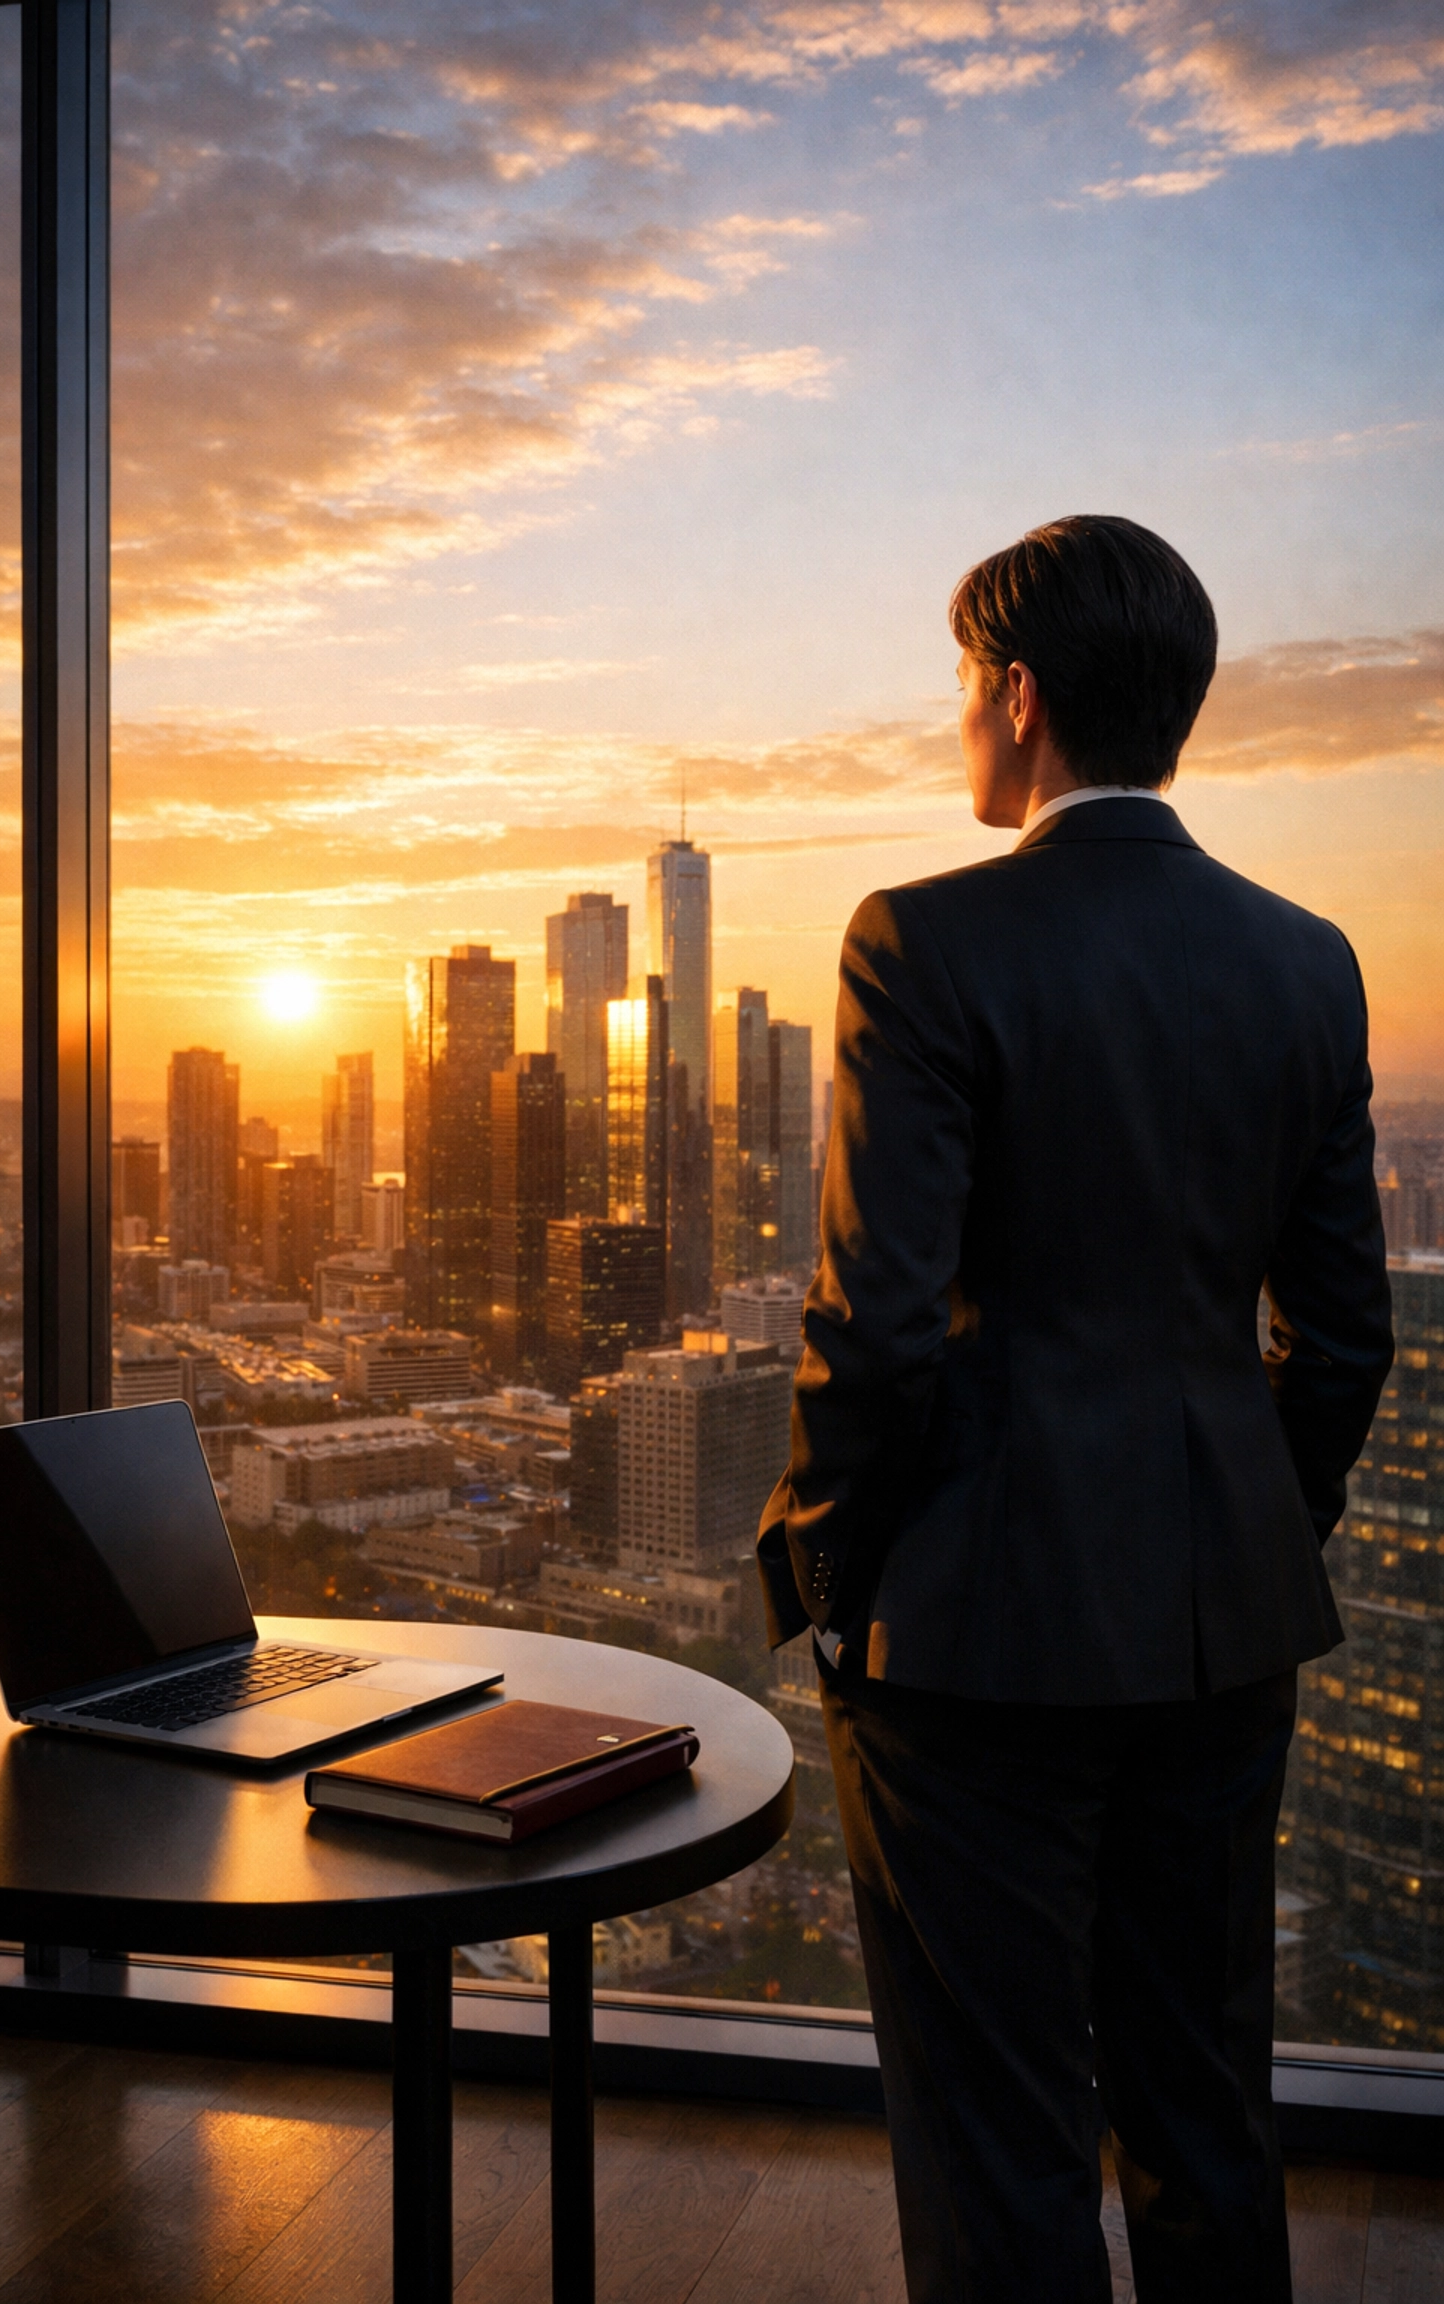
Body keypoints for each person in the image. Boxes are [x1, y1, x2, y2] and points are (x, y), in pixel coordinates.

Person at [757, 516, 1393, 2304]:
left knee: (1000, 2140)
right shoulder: (1309, 959)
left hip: (973, 1641)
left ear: (1018, 696)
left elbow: (874, 1328)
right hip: (1220, 1632)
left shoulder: (922, 943)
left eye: (964, 683)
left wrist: (821, 1563)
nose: (959, 718)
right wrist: (1244, 1529)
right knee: (1206, 2111)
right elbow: (1344, 1339)